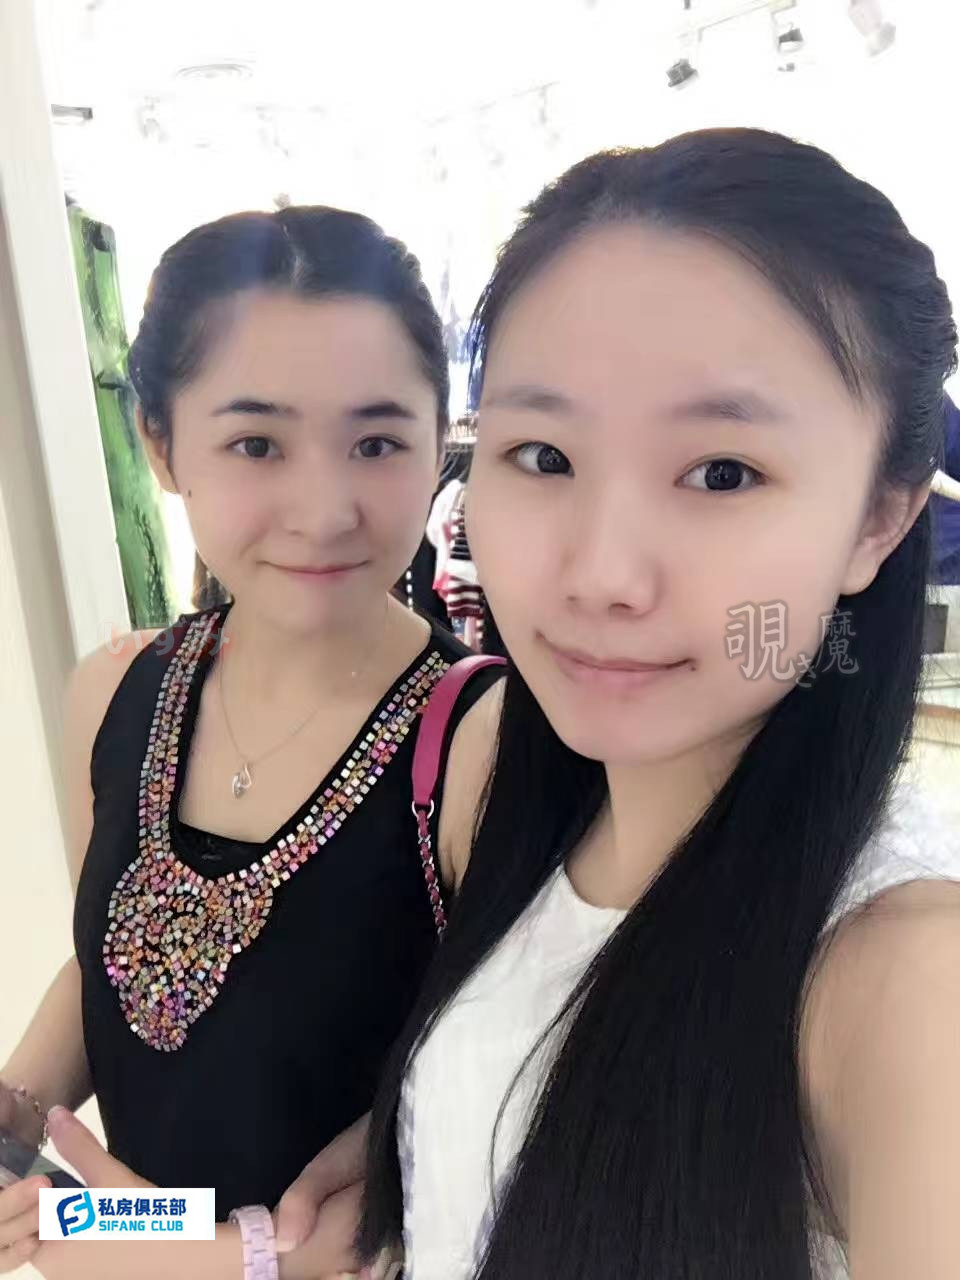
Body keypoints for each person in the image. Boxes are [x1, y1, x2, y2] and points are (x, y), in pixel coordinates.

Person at [349, 130, 960, 1278]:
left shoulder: (906, 979)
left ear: (879, 518)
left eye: (722, 472)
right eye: (542, 455)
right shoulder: (517, 796)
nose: (600, 575)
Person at [0, 206, 502, 1276]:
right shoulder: (115, 689)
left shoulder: (482, 743)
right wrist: (18, 1115)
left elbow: (495, 1129)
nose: (323, 511)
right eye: (256, 443)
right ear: (160, 444)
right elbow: (112, 959)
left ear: (439, 441)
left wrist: (145, 1246)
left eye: (377, 442)